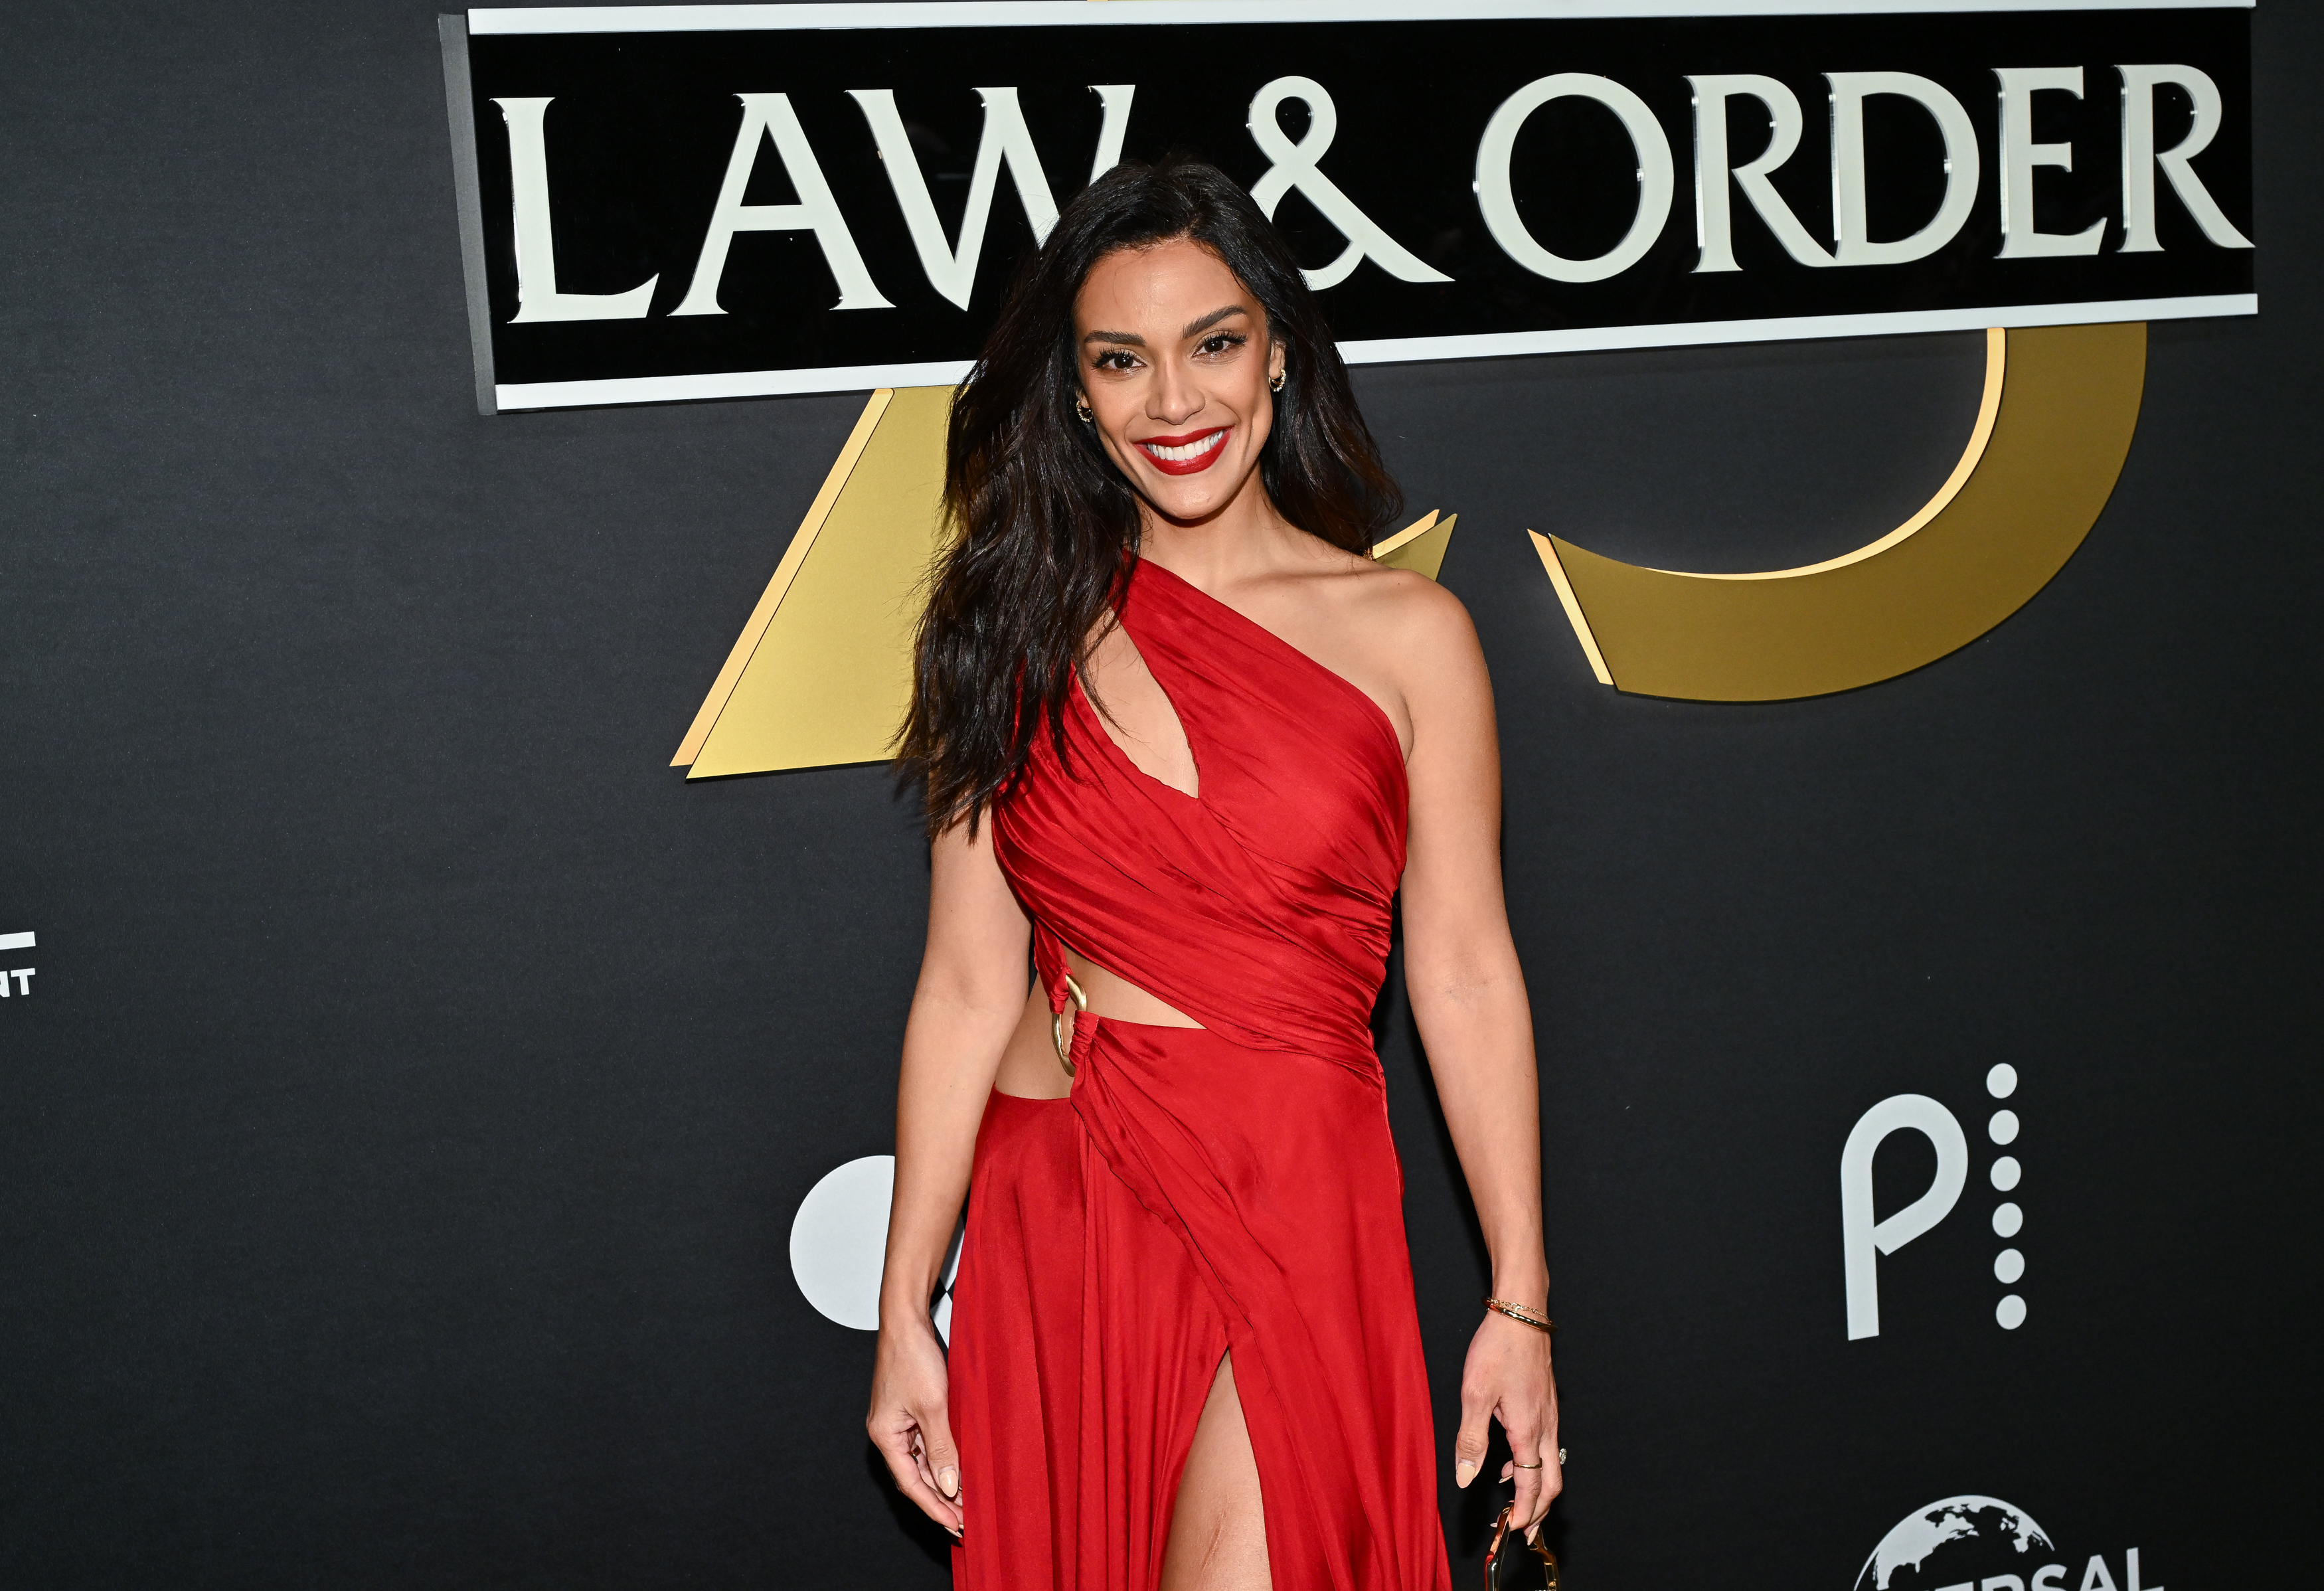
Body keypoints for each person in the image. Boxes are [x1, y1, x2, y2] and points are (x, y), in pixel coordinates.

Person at [867, 156, 1558, 1591]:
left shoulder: (1407, 635)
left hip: (1288, 1198)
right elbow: (963, 983)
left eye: (1214, 344)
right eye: (1121, 360)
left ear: (1282, 355)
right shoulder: (1006, 631)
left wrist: (1520, 1296)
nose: (1174, 403)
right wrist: (903, 1306)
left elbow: (1465, 968)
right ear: (1072, 390)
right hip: (1061, 1214)